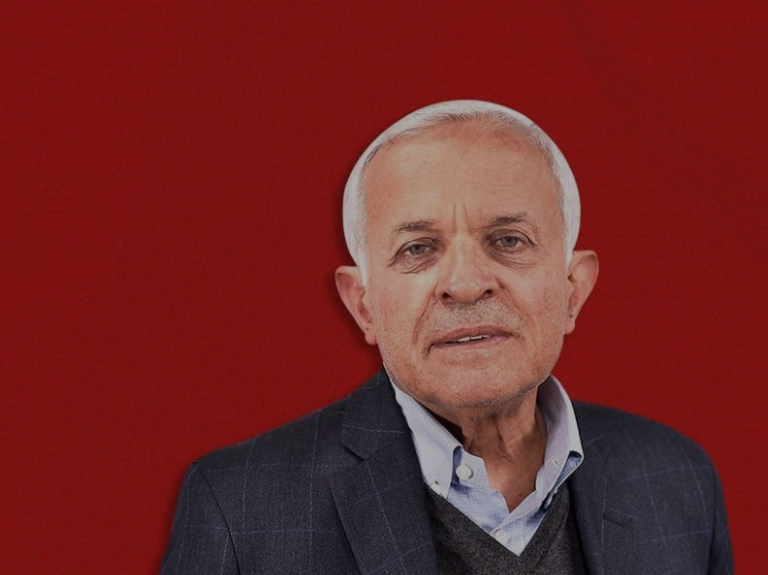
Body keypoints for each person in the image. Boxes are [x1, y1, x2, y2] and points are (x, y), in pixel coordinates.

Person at [160, 101, 732, 574]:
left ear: (572, 290)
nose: (465, 283)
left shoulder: (676, 477)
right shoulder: (239, 508)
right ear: (363, 305)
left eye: (508, 240)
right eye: (418, 248)